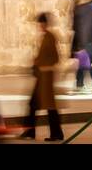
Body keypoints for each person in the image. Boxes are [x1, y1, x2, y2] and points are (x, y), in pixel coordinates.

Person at [21, 12, 64, 142]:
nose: (39, 26)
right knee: (34, 104)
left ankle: (56, 134)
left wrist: (39, 63)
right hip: (42, 78)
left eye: (40, 23)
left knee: (49, 107)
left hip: (46, 78)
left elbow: (55, 58)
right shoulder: (46, 37)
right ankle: (30, 131)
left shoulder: (50, 37)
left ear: (44, 23)